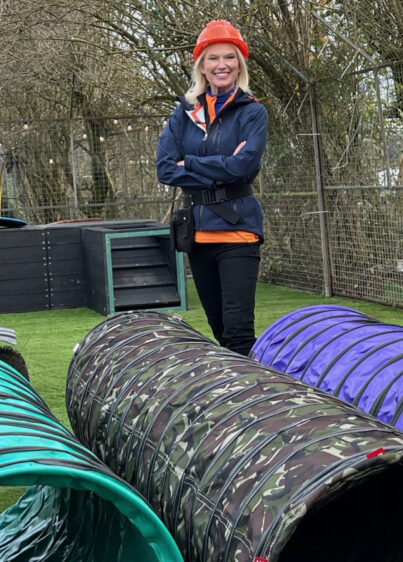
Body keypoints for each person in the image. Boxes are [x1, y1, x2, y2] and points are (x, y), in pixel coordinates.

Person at [156, 19, 268, 356]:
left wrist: (188, 163)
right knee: (219, 331)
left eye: (229, 57)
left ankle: (254, 402)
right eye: (213, 58)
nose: (222, 65)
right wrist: (221, 168)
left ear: (239, 65)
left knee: (238, 333)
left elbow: (243, 167)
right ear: (202, 66)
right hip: (197, 236)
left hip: (237, 232)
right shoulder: (184, 113)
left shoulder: (252, 111)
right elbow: (165, 169)